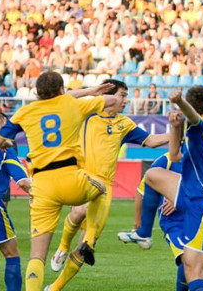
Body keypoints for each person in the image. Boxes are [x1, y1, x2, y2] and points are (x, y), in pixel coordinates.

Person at [0, 71, 120, 291]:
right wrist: (90, 92)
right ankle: (87, 240)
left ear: (37, 93)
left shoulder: (26, 111)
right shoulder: (72, 104)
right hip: (72, 178)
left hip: (42, 185)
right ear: (62, 90)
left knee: (37, 256)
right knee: (101, 188)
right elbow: (112, 100)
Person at [47, 79, 168, 290]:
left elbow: (152, 141)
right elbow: (61, 99)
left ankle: (55, 287)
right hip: (83, 177)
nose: (125, 100)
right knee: (78, 213)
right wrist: (92, 92)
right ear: (108, 96)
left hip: (105, 187)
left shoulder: (125, 124)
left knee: (87, 244)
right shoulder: (86, 114)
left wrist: (178, 132)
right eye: (122, 95)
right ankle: (62, 247)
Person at [133, 86, 203, 290]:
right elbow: (175, 155)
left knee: (193, 271)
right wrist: (175, 127)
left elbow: (194, 119)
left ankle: (144, 232)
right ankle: (144, 232)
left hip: (201, 203)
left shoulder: (199, 125)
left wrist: (180, 102)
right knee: (151, 175)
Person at [117, 151, 203, 291]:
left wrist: (179, 198)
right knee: (189, 261)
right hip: (175, 224)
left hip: (200, 219)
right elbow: (142, 190)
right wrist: (138, 223)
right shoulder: (166, 160)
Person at [0, 112, 31, 291]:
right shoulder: (5, 150)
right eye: (5, 128)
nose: (11, 132)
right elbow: (23, 182)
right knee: (11, 253)